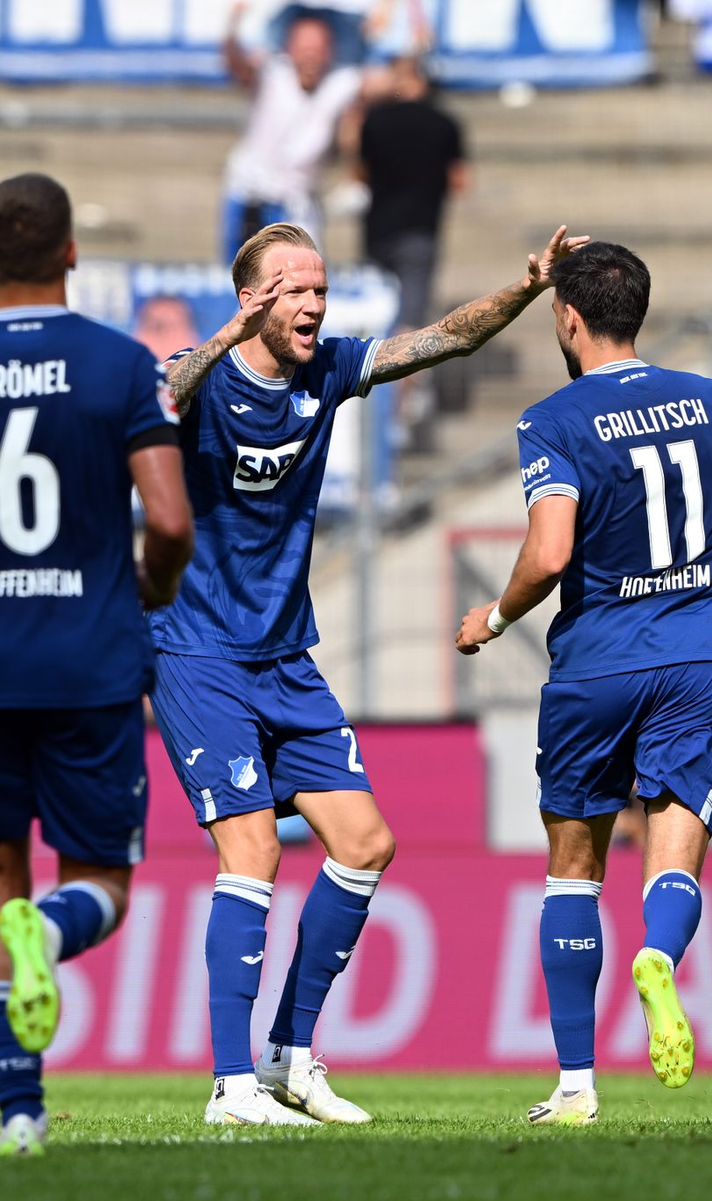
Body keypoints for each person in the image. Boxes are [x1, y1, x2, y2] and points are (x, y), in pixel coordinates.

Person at [154, 219, 587, 1126]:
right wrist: (228, 336)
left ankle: (288, 1056)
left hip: (285, 658)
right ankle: (230, 1087)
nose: (312, 303)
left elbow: (446, 338)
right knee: (256, 851)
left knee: (364, 844)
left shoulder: (329, 370)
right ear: (251, 300)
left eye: (318, 288)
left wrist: (529, 284)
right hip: (197, 650)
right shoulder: (201, 382)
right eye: (292, 289)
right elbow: (159, 392)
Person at [0, 172, 193, 1156]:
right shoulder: (120, 365)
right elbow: (167, 517)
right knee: (100, 883)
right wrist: (149, 588)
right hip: (91, 659)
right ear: (73, 252)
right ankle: (55, 932)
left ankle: (20, 1113)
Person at [457, 242, 711, 1124]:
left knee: (574, 868)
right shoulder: (707, 402)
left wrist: (492, 617)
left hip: (597, 664)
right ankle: (663, 959)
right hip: (695, 655)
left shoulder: (554, 419)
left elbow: (551, 550)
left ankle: (574, 1087)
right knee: (677, 836)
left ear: (567, 317)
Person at [357, 55, 468, 445]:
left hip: (378, 232)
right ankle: (400, 411)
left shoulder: (375, 120)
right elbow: (458, 180)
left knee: (379, 318)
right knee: (411, 321)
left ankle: (377, 407)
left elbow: (360, 172)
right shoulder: (445, 124)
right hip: (421, 231)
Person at [221, 3, 361, 263]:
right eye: (305, 48)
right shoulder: (271, 72)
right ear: (290, 48)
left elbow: (386, 83)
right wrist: (232, 25)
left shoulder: (341, 83)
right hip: (248, 193)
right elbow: (235, 65)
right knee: (240, 274)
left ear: (329, 52)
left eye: (318, 49)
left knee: (301, 275)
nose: (311, 56)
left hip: (297, 202)